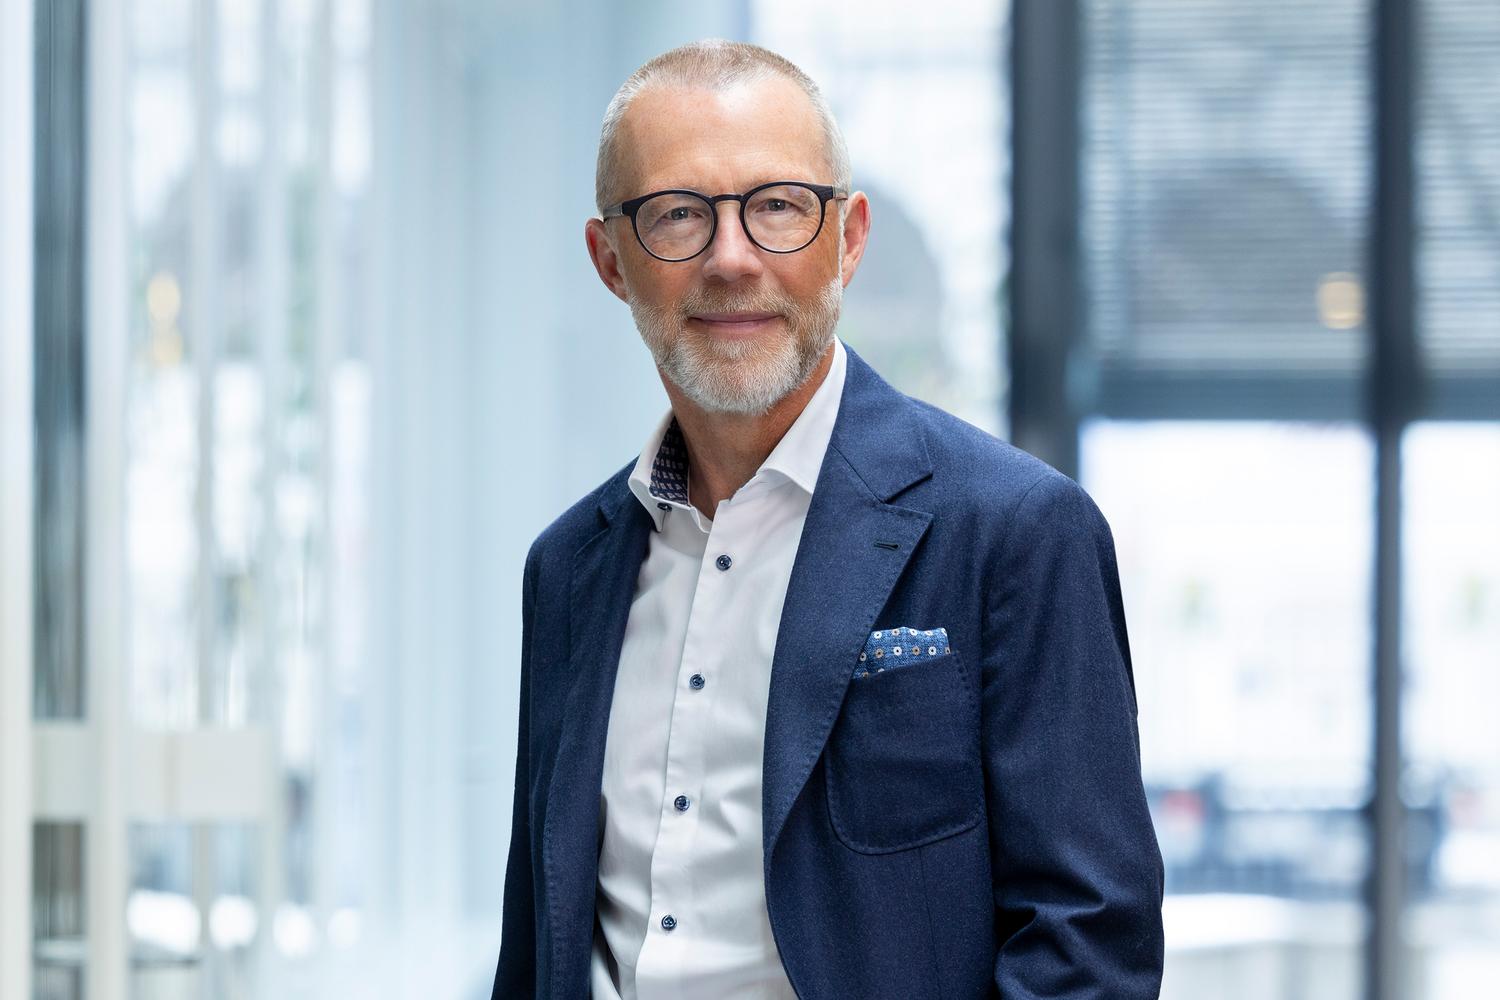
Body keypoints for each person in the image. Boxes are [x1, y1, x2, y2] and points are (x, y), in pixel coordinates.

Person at [491, 38, 1164, 1000]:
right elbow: (539, 945)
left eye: (777, 207)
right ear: (611, 262)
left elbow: (1088, 949)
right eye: (678, 214)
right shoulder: (567, 570)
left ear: (847, 238)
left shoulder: (1016, 533)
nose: (731, 258)